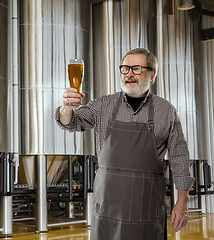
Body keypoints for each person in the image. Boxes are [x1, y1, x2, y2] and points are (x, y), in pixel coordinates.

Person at [55, 48, 194, 240]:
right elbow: (70, 122)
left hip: (147, 209)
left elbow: (179, 157)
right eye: (125, 68)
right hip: (107, 210)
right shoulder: (103, 105)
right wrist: (66, 107)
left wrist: (182, 201)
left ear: (152, 74)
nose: (129, 74)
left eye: (137, 69)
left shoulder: (166, 111)